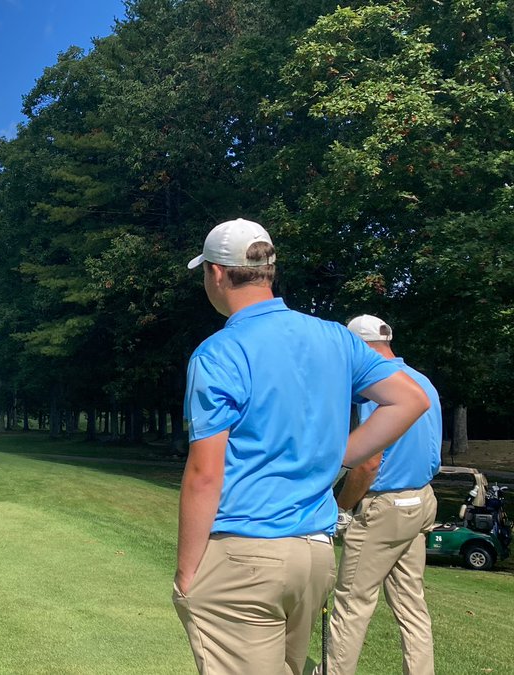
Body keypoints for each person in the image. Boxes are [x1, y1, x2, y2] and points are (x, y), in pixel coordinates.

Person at [173, 218, 431, 674]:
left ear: (216, 273)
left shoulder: (219, 353)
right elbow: (408, 399)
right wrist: (342, 454)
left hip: (244, 553)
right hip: (313, 556)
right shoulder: (335, 336)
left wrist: (186, 575)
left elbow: (204, 475)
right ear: (267, 269)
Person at [324, 315, 441, 675]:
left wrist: (341, 507)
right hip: (421, 501)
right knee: (411, 605)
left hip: (384, 507)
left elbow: (368, 463)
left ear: (360, 347)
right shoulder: (423, 383)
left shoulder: (378, 386)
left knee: (351, 602)